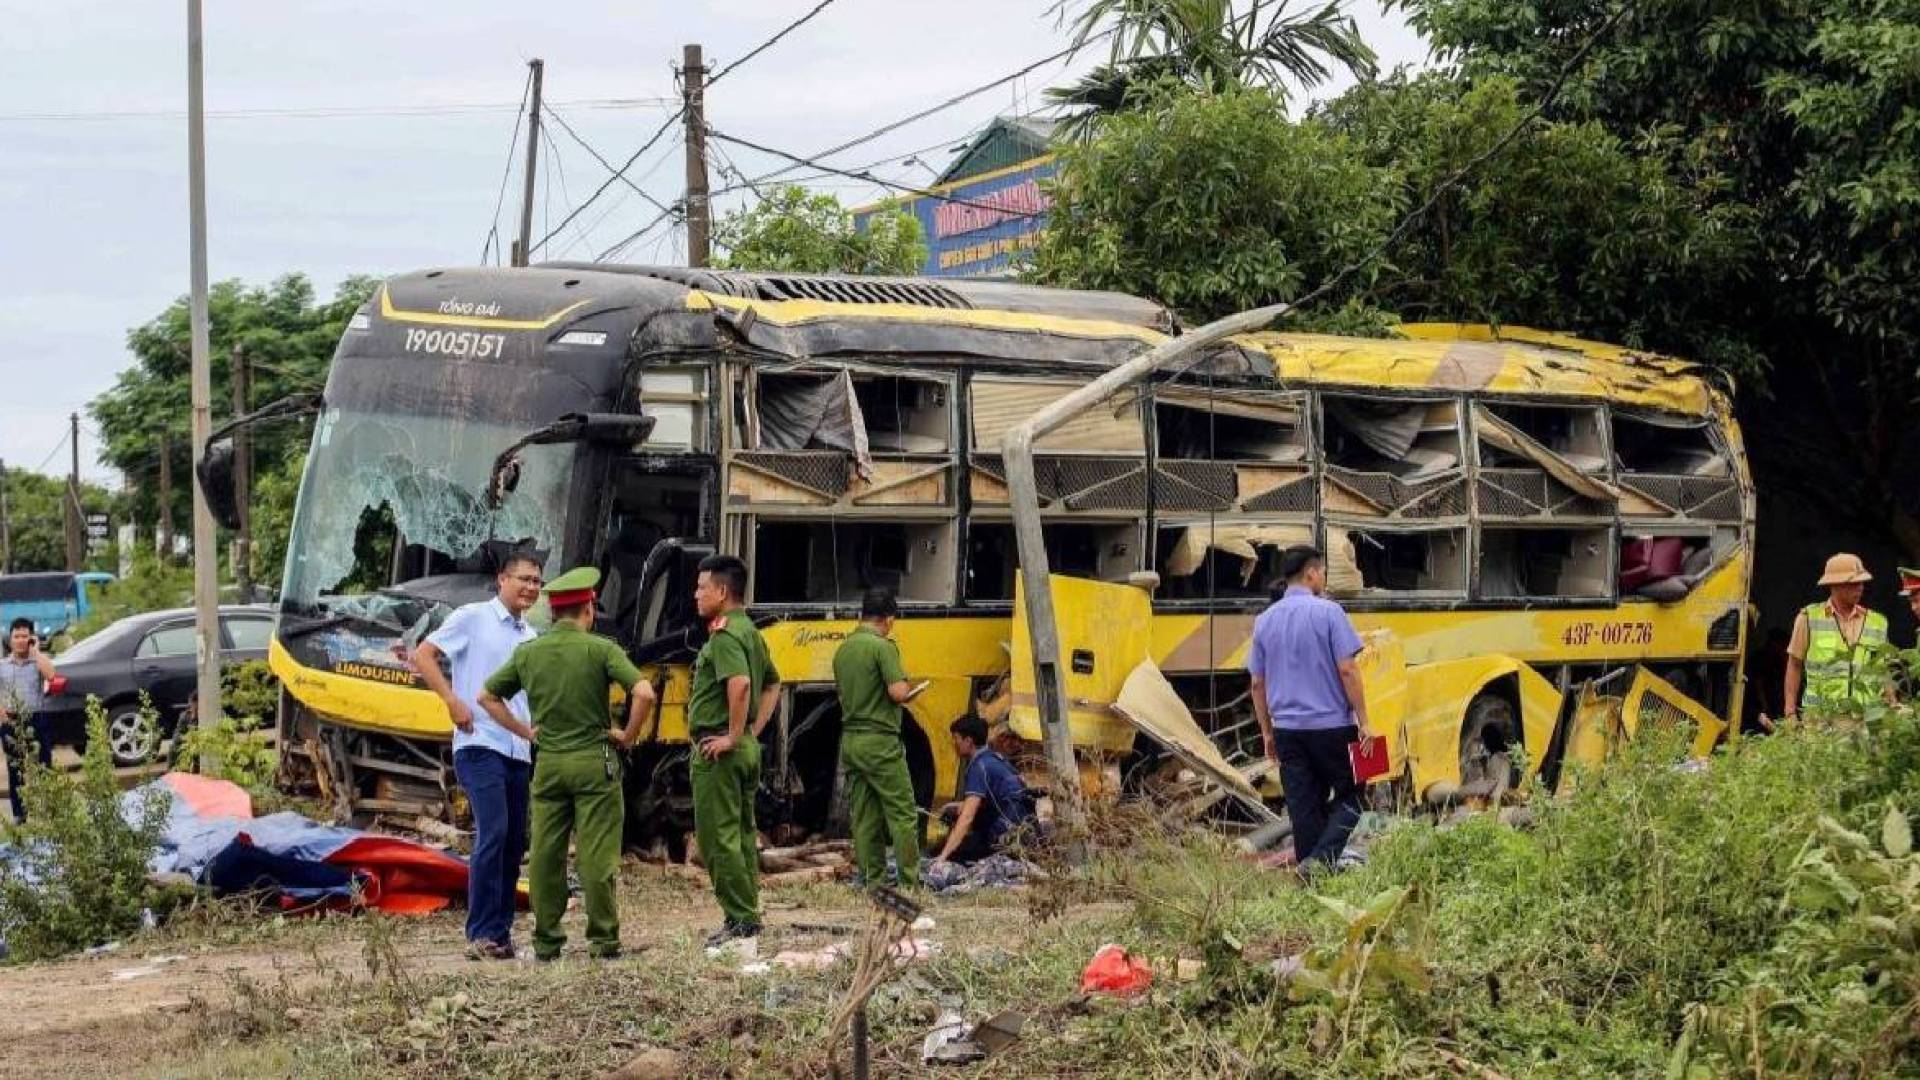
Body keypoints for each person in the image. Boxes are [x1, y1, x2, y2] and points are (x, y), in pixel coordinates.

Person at [478, 567, 656, 962]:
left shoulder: (529, 652)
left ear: (554, 613)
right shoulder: (602, 649)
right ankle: (604, 941)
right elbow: (644, 692)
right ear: (588, 609)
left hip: (549, 766)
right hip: (594, 764)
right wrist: (627, 735)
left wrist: (526, 732)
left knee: (545, 855)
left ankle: (546, 941)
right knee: (596, 856)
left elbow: (486, 697)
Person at [410, 553, 541, 960]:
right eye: (523, 579)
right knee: (494, 830)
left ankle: (500, 933)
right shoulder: (473, 617)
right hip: (478, 741)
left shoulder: (531, 636)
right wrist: (452, 701)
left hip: (518, 747)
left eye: (537, 582)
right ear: (501, 579)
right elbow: (423, 655)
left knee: (514, 841)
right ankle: (481, 932)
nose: (530, 587)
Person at [1246, 545, 1374, 873]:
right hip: (1334, 727)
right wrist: (1364, 722)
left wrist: (1267, 733)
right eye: (1323, 572)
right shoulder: (1330, 613)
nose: (1324, 578)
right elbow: (1348, 670)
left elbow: (1257, 684)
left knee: (1303, 806)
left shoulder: (1264, 621)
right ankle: (1319, 862)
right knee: (1355, 795)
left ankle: (1312, 876)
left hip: (1288, 732)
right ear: (1311, 573)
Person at [685, 554, 780, 949]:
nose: (696, 595)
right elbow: (773, 683)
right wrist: (750, 734)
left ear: (722, 591)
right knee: (741, 834)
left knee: (717, 838)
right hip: (743, 749)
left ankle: (740, 921)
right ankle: (747, 914)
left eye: (701, 587)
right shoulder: (750, 631)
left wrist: (733, 736)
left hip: (718, 751)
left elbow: (740, 685)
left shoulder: (724, 635)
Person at [832, 588, 920, 889]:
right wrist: (910, 688)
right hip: (880, 741)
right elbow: (898, 692)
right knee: (902, 813)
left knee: (864, 816)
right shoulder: (883, 647)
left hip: (851, 740)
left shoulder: (844, 649)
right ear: (889, 619)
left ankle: (873, 883)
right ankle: (909, 883)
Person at [1784, 553, 1887, 719]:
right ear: (1834, 585)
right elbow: (1794, 665)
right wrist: (1790, 712)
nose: (1860, 588)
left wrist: (1892, 707)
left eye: (1862, 582)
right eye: (1853, 583)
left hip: (1865, 719)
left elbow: (1883, 671)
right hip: (1820, 719)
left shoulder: (1877, 622)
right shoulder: (1808, 618)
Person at [932, 713, 1035, 866]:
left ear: (968, 741)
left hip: (1008, 837)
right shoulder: (993, 759)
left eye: (956, 738)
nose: (953, 743)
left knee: (941, 852)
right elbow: (996, 797)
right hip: (1027, 831)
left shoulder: (979, 767)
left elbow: (967, 818)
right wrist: (959, 806)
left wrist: (942, 857)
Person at [1, 617, 56, 824]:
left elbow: (51, 675)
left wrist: (36, 651)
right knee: (15, 769)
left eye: (25, 636)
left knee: (44, 765)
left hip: (36, 718)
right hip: (11, 721)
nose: (20, 640)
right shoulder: (3, 665)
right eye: (17, 636)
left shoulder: (38, 662)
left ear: (31, 638)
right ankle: (19, 814)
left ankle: (51, 810)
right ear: (10, 639)